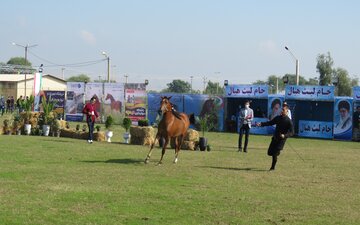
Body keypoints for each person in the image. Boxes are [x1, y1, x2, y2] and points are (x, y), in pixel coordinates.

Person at [256, 104, 294, 171]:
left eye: (283, 110)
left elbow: (292, 132)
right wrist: (261, 124)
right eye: (282, 109)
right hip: (275, 138)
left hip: (281, 140)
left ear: (287, 111)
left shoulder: (289, 121)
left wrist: (284, 135)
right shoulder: (278, 118)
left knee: (274, 154)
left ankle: (272, 168)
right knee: (269, 152)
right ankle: (277, 153)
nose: (282, 111)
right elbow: (270, 123)